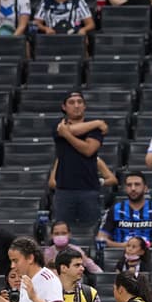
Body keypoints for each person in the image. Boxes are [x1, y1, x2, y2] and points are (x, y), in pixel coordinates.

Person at [52, 91, 106, 229]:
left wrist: (67, 135)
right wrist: (98, 122)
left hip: (89, 189)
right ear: (64, 107)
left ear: (85, 106)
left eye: (80, 102)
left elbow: (88, 150)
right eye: (71, 102)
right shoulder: (58, 125)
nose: (76, 105)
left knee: (91, 231)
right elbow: (70, 130)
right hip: (64, 190)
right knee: (61, 232)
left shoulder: (95, 130)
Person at [97, 172, 152, 253]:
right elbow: (101, 239)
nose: (133, 188)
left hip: (150, 256)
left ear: (145, 188)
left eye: (137, 184)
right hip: (120, 255)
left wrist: (146, 245)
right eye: (129, 185)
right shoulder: (114, 210)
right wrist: (126, 246)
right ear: (125, 189)